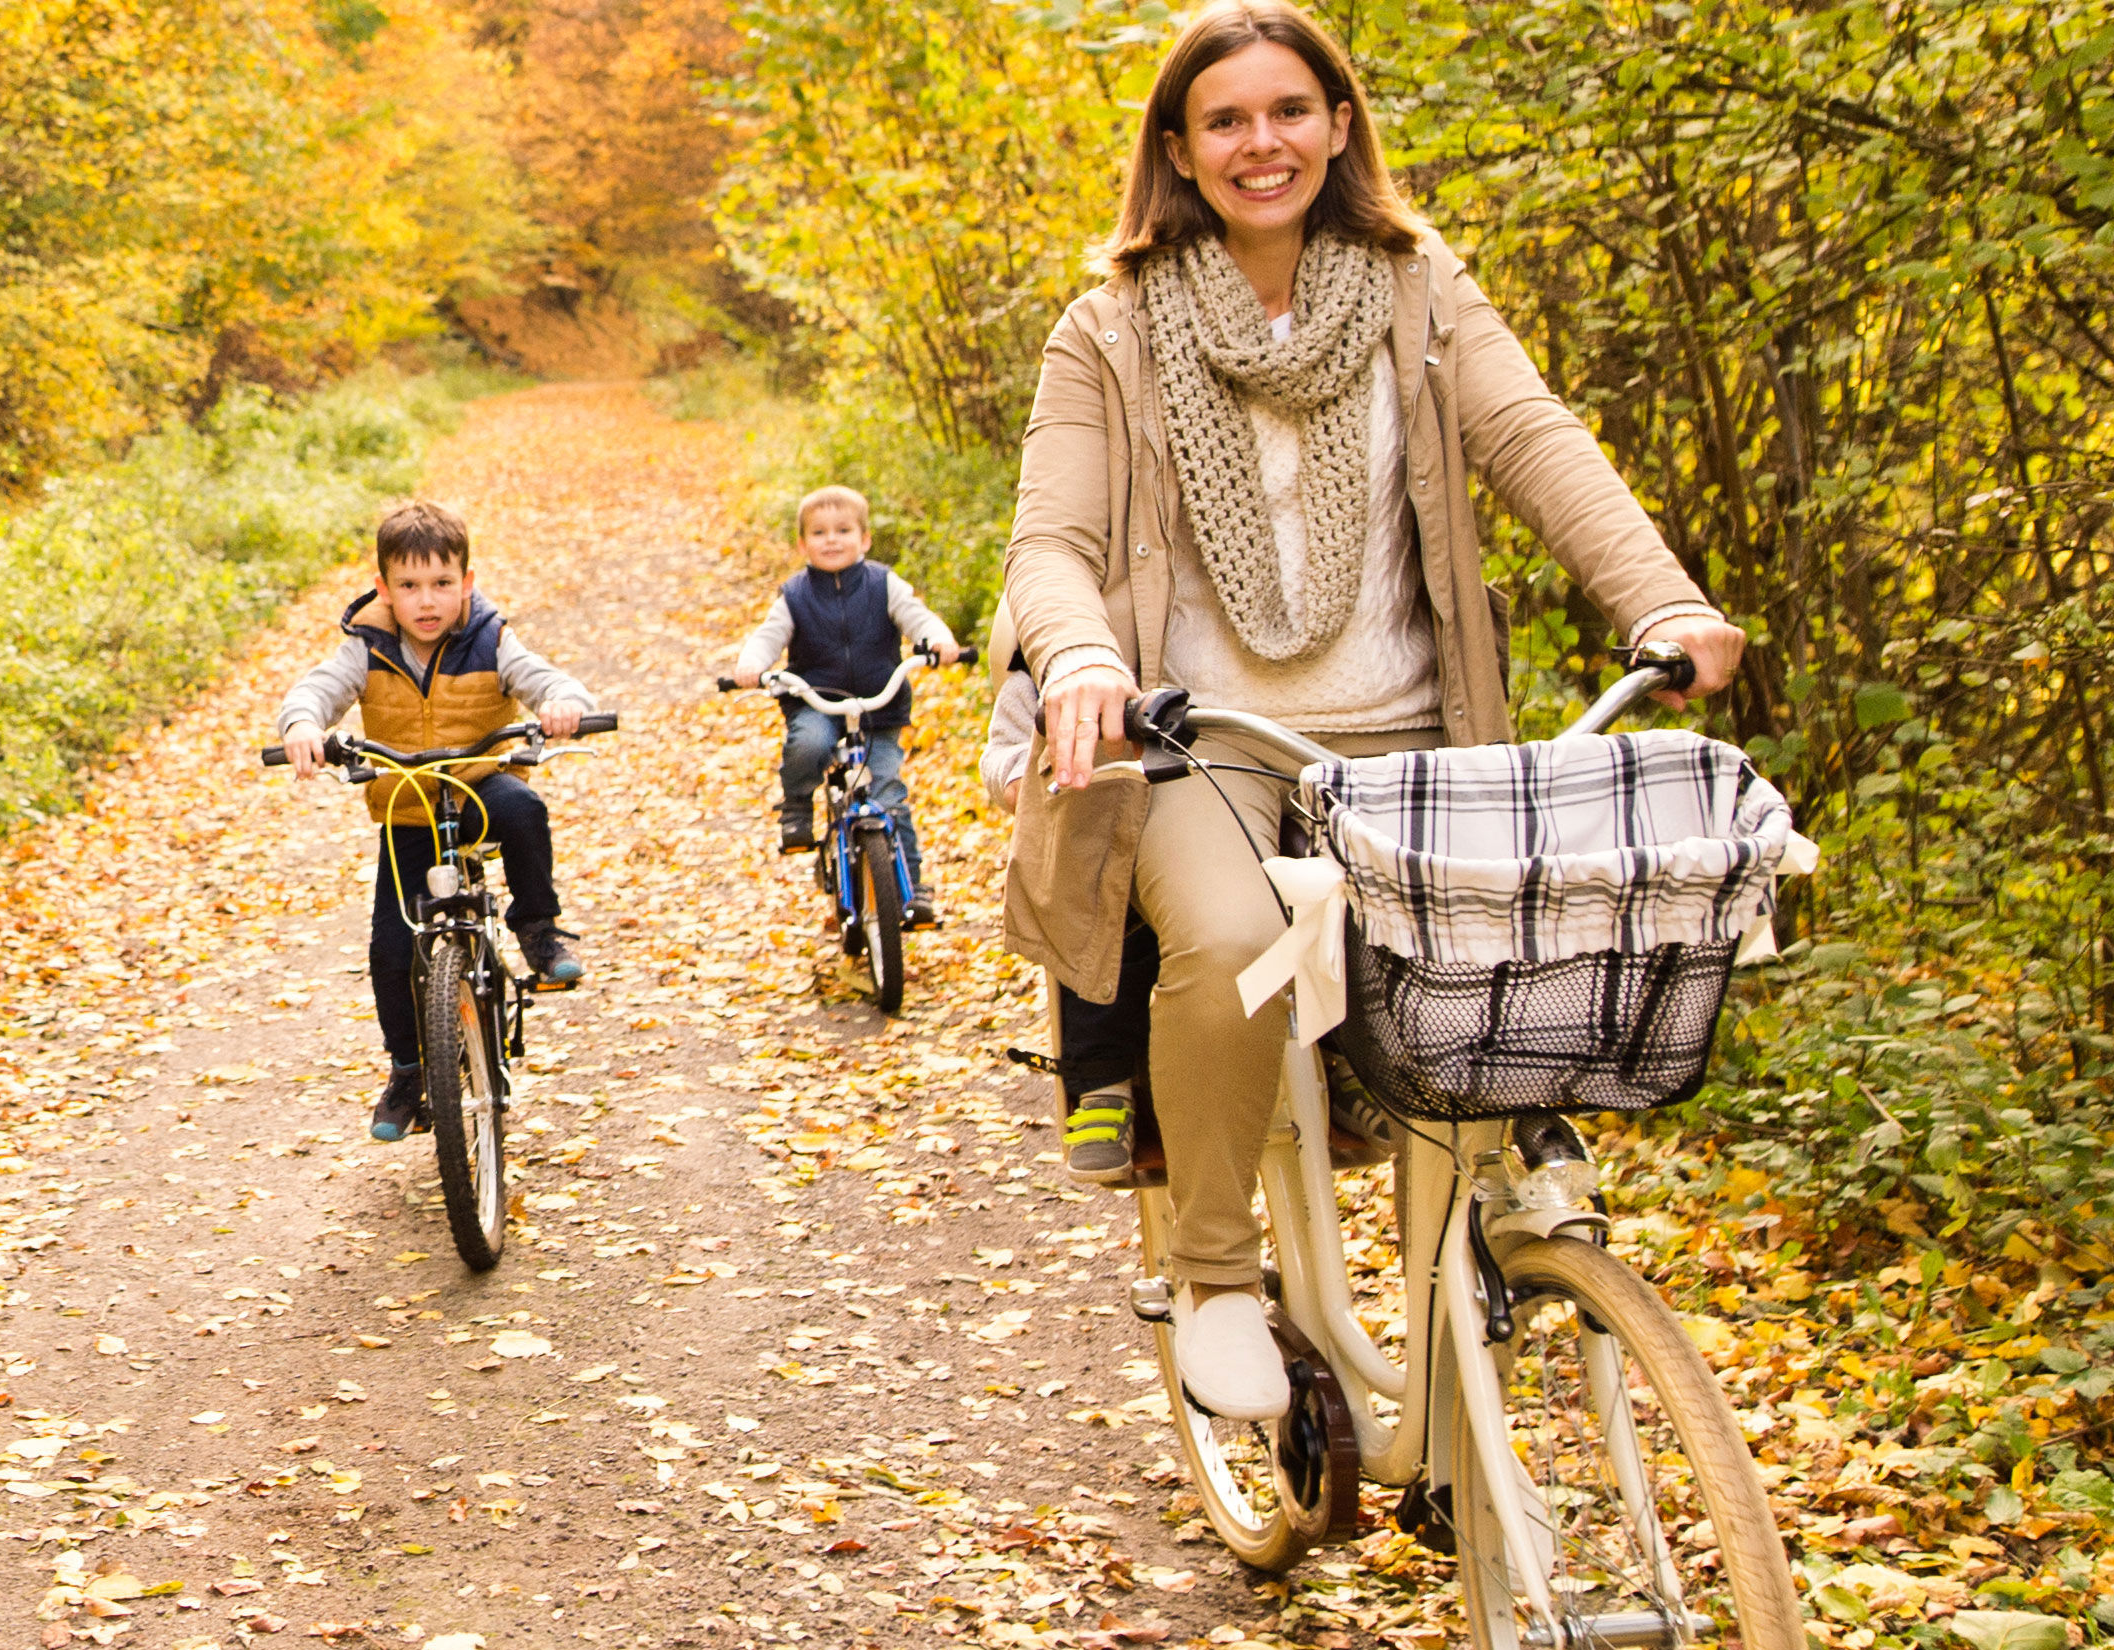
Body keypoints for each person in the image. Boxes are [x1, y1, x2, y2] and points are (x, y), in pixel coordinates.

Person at [1004, 0, 1752, 1424]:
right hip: (1205, 739)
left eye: (1289, 110)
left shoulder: (1418, 290)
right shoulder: (1109, 328)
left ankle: (1449, 1315)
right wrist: (1081, 656)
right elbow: (1050, 537)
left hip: (1414, 733)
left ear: (1340, 124)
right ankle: (1221, 1276)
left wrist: (1658, 602)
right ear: (1179, 148)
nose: (1261, 141)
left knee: (1469, 992)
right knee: (1224, 944)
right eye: (1225, 119)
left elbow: (1537, 442)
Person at [274, 501, 601, 1143]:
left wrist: (565, 703)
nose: (427, 601)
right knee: (390, 949)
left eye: (443, 584)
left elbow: (542, 679)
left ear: (467, 583)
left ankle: (537, 929)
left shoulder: (492, 638)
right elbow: (314, 691)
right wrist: (305, 724)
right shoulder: (364, 648)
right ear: (384, 589)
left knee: (526, 809)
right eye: (409, 586)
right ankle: (407, 1071)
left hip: (481, 788)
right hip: (408, 809)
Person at [724, 486, 966, 931]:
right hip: (818, 701)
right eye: (819, 532)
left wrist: (937, 640)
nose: (831, 540)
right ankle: (797, 804)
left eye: (843, 530)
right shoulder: (795, 595)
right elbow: (768, 636)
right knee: (810, 743)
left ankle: (914, 888)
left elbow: (917, 616)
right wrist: (753, 665)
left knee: (889, 793)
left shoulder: (883, 584)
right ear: (802, 544)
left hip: (878, 706)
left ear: (865, 538)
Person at [975, 612, 1160, 1184]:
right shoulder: (1038, 661)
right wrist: (1021, 779)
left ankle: (1335, 1053)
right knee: (1101, 913)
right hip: (1100, 830)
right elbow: (1003, 751)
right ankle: (1101, 1083)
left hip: (1202, 810)